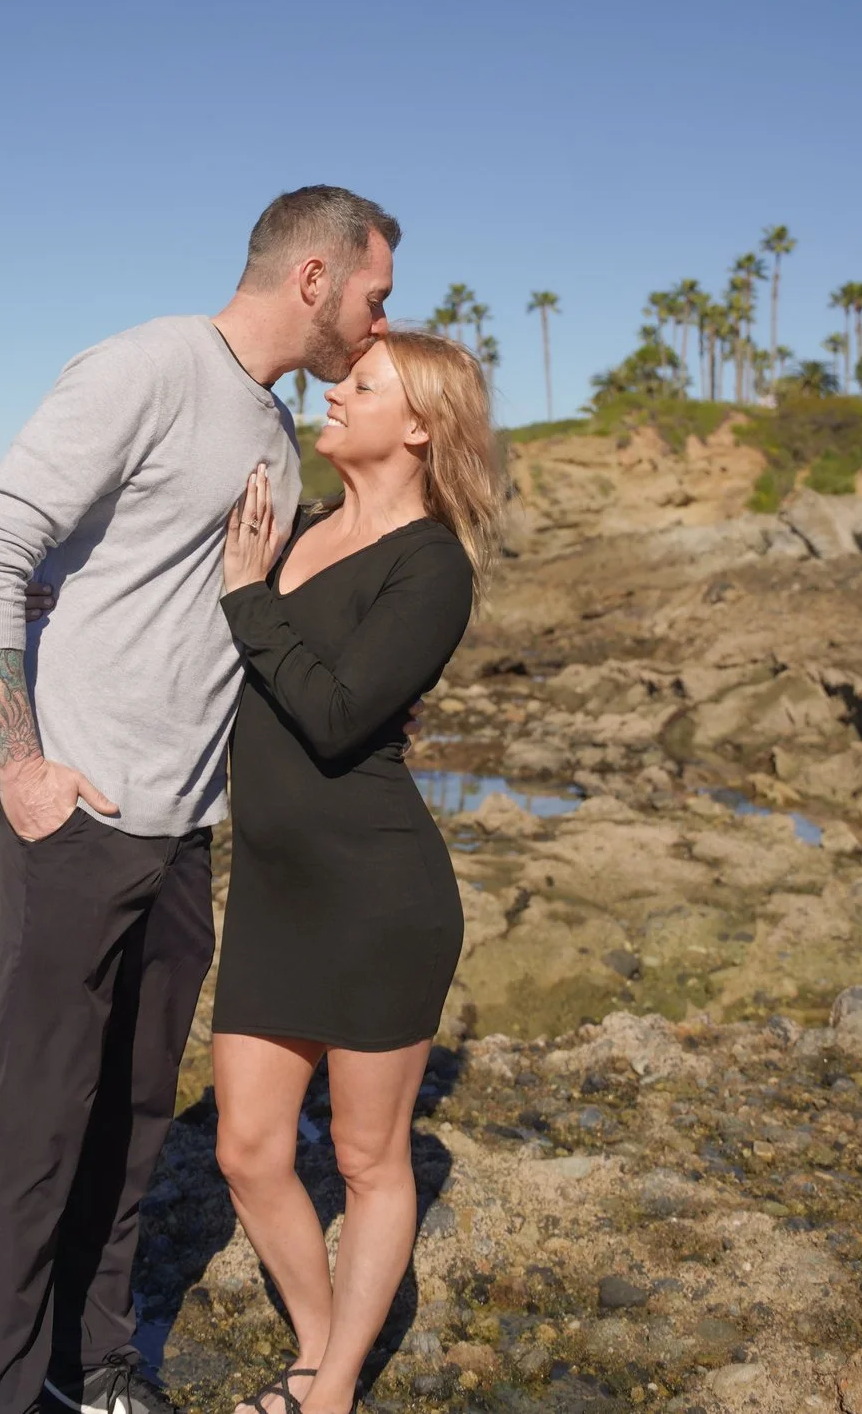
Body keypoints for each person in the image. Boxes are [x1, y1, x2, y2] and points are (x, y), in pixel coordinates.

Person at [0, 186, 399, 1414]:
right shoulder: (144, 365)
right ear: (314, 278)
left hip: (182, 831)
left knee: (134, 1120)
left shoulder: (277, 425)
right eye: (374, 292)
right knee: (33, 1129)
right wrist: (24, 764)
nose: (380, 317)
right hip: (76, 819)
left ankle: (88, 1367)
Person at [209, 331, 504, 1414]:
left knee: (370, 1157)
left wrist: (249, 597)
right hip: (275, 893)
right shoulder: (302, 527)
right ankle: (326, 1343)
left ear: (418, 424)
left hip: (378, 896)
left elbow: (336, 717)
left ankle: (324, 1392)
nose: (331, 390)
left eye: (361, 385)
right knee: (246, 1148)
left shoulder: (431, 564)